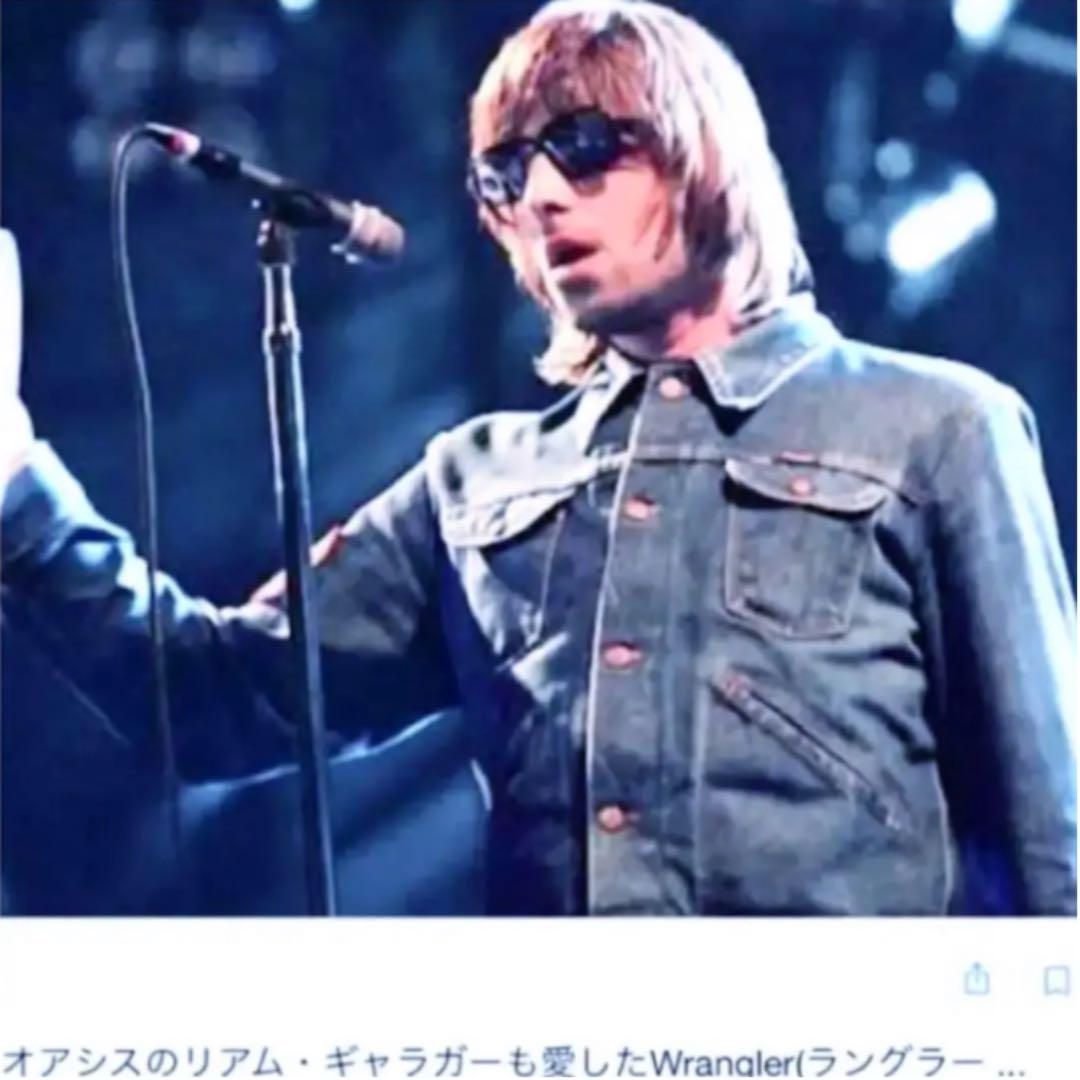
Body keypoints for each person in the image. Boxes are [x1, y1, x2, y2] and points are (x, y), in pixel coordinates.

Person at [1, 0, 1075, 916]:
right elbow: (212, 700)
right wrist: (14, 484)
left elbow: (1050, 831)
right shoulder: (475, 483)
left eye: (588, 146)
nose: (543, 194)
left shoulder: (939, 427)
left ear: (706, 155)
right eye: (505, 172)